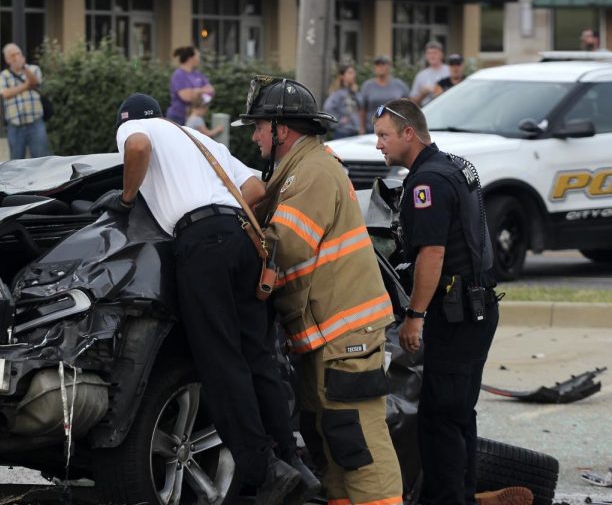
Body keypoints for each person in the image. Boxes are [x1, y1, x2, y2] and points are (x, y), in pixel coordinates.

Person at [93, 93, 320, 505]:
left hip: (202, 248)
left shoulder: (137, 128)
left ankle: (263, 473)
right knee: (257, 357)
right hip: (242, 243)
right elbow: (258, 188)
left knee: (220, 361)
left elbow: (138, 148)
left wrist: (127, 199)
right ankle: (294, 458)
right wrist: (220, 211)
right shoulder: (200, 141)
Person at [233, 76, 403, 505]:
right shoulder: (296, 172)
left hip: (344, 332)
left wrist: (234, 224)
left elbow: (281, 247)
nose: (254, 136)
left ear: (281, 129)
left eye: (257, 126)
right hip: (324, 334)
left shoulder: (311, 174)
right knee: (328, 439)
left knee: (356, 440)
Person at [372, 98, 506, 505]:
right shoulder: (456, 164)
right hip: (479, 307)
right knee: (459, 413)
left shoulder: (425, 183)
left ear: (408, 133)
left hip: (456, 313)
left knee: (439, 419)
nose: (379, 144)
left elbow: (432, 253)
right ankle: (463, 495)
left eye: (384, 135)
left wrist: (413, 317)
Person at [0, 42, 50, 159]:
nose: (16, 57)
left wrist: (23, 68)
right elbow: (5, 94)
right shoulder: (3, 75)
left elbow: (35, 82)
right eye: (12, 55)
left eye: (18, 53)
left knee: (41, 159)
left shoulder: (33, 69)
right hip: (15, 125)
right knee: (16, 163)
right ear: (7, 60)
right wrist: (26, 86)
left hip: (35, 123)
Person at [358, 55, 409, 133]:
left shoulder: (400, 85)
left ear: (389, 66)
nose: (380, 67)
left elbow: (407, 107)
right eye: (377, 65)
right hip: (372, 129)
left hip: (395, 129)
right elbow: (362, 109)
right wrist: (362, 128)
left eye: (383, 64)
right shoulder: (367, 86)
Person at [167, 46, 214, 125]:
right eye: (198, 56)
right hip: (178, 118)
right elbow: (186, 97)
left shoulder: (198, 74)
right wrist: (201, 91)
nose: (199, 59)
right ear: (190, 58)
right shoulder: (179, 75)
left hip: (193, 117)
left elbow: (211, 91)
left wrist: (196, 92)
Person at [322, 63, 362, 138]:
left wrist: (355, 92)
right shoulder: (338, 93)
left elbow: (360, 107)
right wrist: (338, 121)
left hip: (355, 131)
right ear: (342, 76)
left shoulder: (355, 91)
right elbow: (327, 108)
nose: (353, 75)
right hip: (343, 132)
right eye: (350, 73)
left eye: (353, 73)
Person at [410, 41, 449, 106]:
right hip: (428, 112)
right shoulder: (421, 75)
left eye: (435, 53)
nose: (432, 56)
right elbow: (413, 101)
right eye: (429, 53)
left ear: (442, 54)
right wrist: (422, 94)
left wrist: (439, 91)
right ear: (426, 56)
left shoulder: (449, 71)